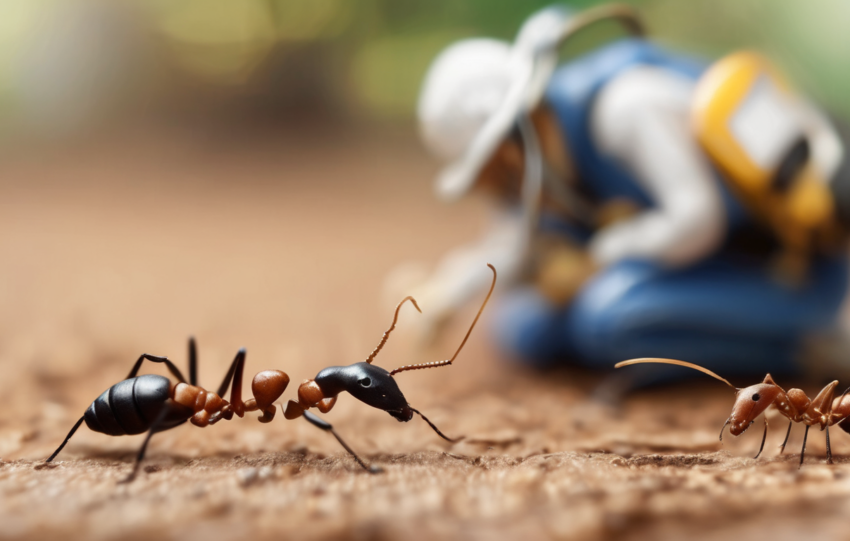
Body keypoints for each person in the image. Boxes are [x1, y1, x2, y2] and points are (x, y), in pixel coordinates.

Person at [394, 4, 850, 382]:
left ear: (513, 144)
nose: (499, 190)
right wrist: (449, 290)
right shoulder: (550, 161)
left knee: (608, 315)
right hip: (699, 267)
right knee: (525, 327)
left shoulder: (626, 108)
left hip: (782, 267)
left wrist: (598, 258)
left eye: (493, 173)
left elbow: (698, 221)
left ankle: (814, 340)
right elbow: (516, 242)